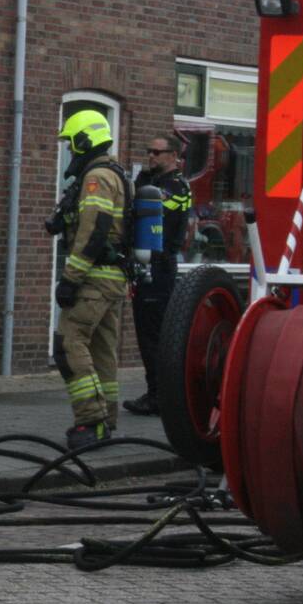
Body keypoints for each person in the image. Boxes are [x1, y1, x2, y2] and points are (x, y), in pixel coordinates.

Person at [52, 110, 129, 451]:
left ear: (84, 141)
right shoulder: (114, 172)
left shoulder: (96, 176)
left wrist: (71, 277)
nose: (70, 151)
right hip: (112, 277)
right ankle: (106, 419)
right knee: (101, 349)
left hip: (94, 277)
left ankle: (91, 421)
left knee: (69, 344)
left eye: (71, 143)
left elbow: (94, 229)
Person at [124, 136, 192, 416]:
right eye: (148, 150)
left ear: (173, 155)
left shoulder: (176, 186)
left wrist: (142, 185)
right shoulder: (153, 182)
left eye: (157, 152)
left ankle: (159, 396)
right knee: (147, 333)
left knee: (154, 336)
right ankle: (157, 393)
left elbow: (145, 212)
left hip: (160, 267)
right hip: (146, 266)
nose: (151, 155)